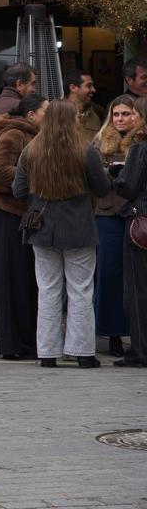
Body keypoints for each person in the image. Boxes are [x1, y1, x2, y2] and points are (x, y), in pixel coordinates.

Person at [13, 100, 110, 369]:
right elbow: (102, 189)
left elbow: (18, 191)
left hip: (42, 229)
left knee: (47, 290)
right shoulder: (85, 150)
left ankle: (47, 352)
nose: (79, 119)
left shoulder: (30, 151)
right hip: (79, 228)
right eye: (76, 116)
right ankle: (83, 352)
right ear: (70, 120)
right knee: (81, 290)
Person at [0, 92, 48, 360]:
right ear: (31, 115)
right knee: (14, 278)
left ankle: (27, 340)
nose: (49, 117)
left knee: (26, 279)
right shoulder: (13, 135)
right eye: (45, 112)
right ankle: (14, 344)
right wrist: (34, 178)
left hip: (26, 214)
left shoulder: (37, 135)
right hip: (10, 214)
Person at [93, 96, 141, 358]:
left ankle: (137, 334)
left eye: (126, 113)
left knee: (137, 277)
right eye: (116, 114)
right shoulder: (100, 142)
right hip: (108, 213)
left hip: (136, 214)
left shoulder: (141, 143)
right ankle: (111, 333)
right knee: (109, 275)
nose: (121, 119)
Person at [112, 119, 147, 368]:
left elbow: (128, 186)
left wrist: (116, 175)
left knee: (138, 289)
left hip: (142, 224)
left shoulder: (140, 149)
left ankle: (140, 351)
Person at [64, 69, 102, 136]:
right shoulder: (55, 115)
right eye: (89, 86)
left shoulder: (95, 117)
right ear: (73, 88)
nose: (94, 90)